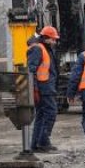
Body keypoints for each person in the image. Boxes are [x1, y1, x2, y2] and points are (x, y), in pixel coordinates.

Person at [28, 25, 60, 153]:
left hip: (45, 86)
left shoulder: (45, 48)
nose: (54, 42)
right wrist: (35, 88)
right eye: (52, 39)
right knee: (51, 113)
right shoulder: (38, 49)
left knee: (41, 115)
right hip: (43, 87)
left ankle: (36, 144)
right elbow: (31, 70)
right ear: (46, 38)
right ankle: (43, 142)